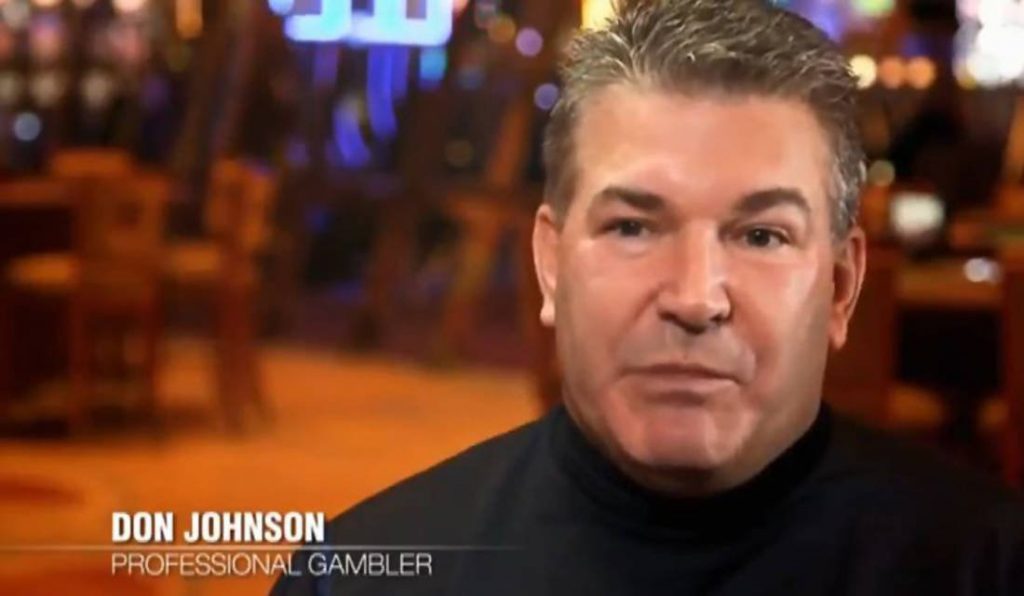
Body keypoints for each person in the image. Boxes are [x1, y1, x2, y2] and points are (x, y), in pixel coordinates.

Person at [272, 1, 1024, 594]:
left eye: (762, 236)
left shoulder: (986, 565)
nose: (695, 299)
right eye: (632, 227)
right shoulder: (358, 575)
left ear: (839, 287)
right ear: (550, 266)